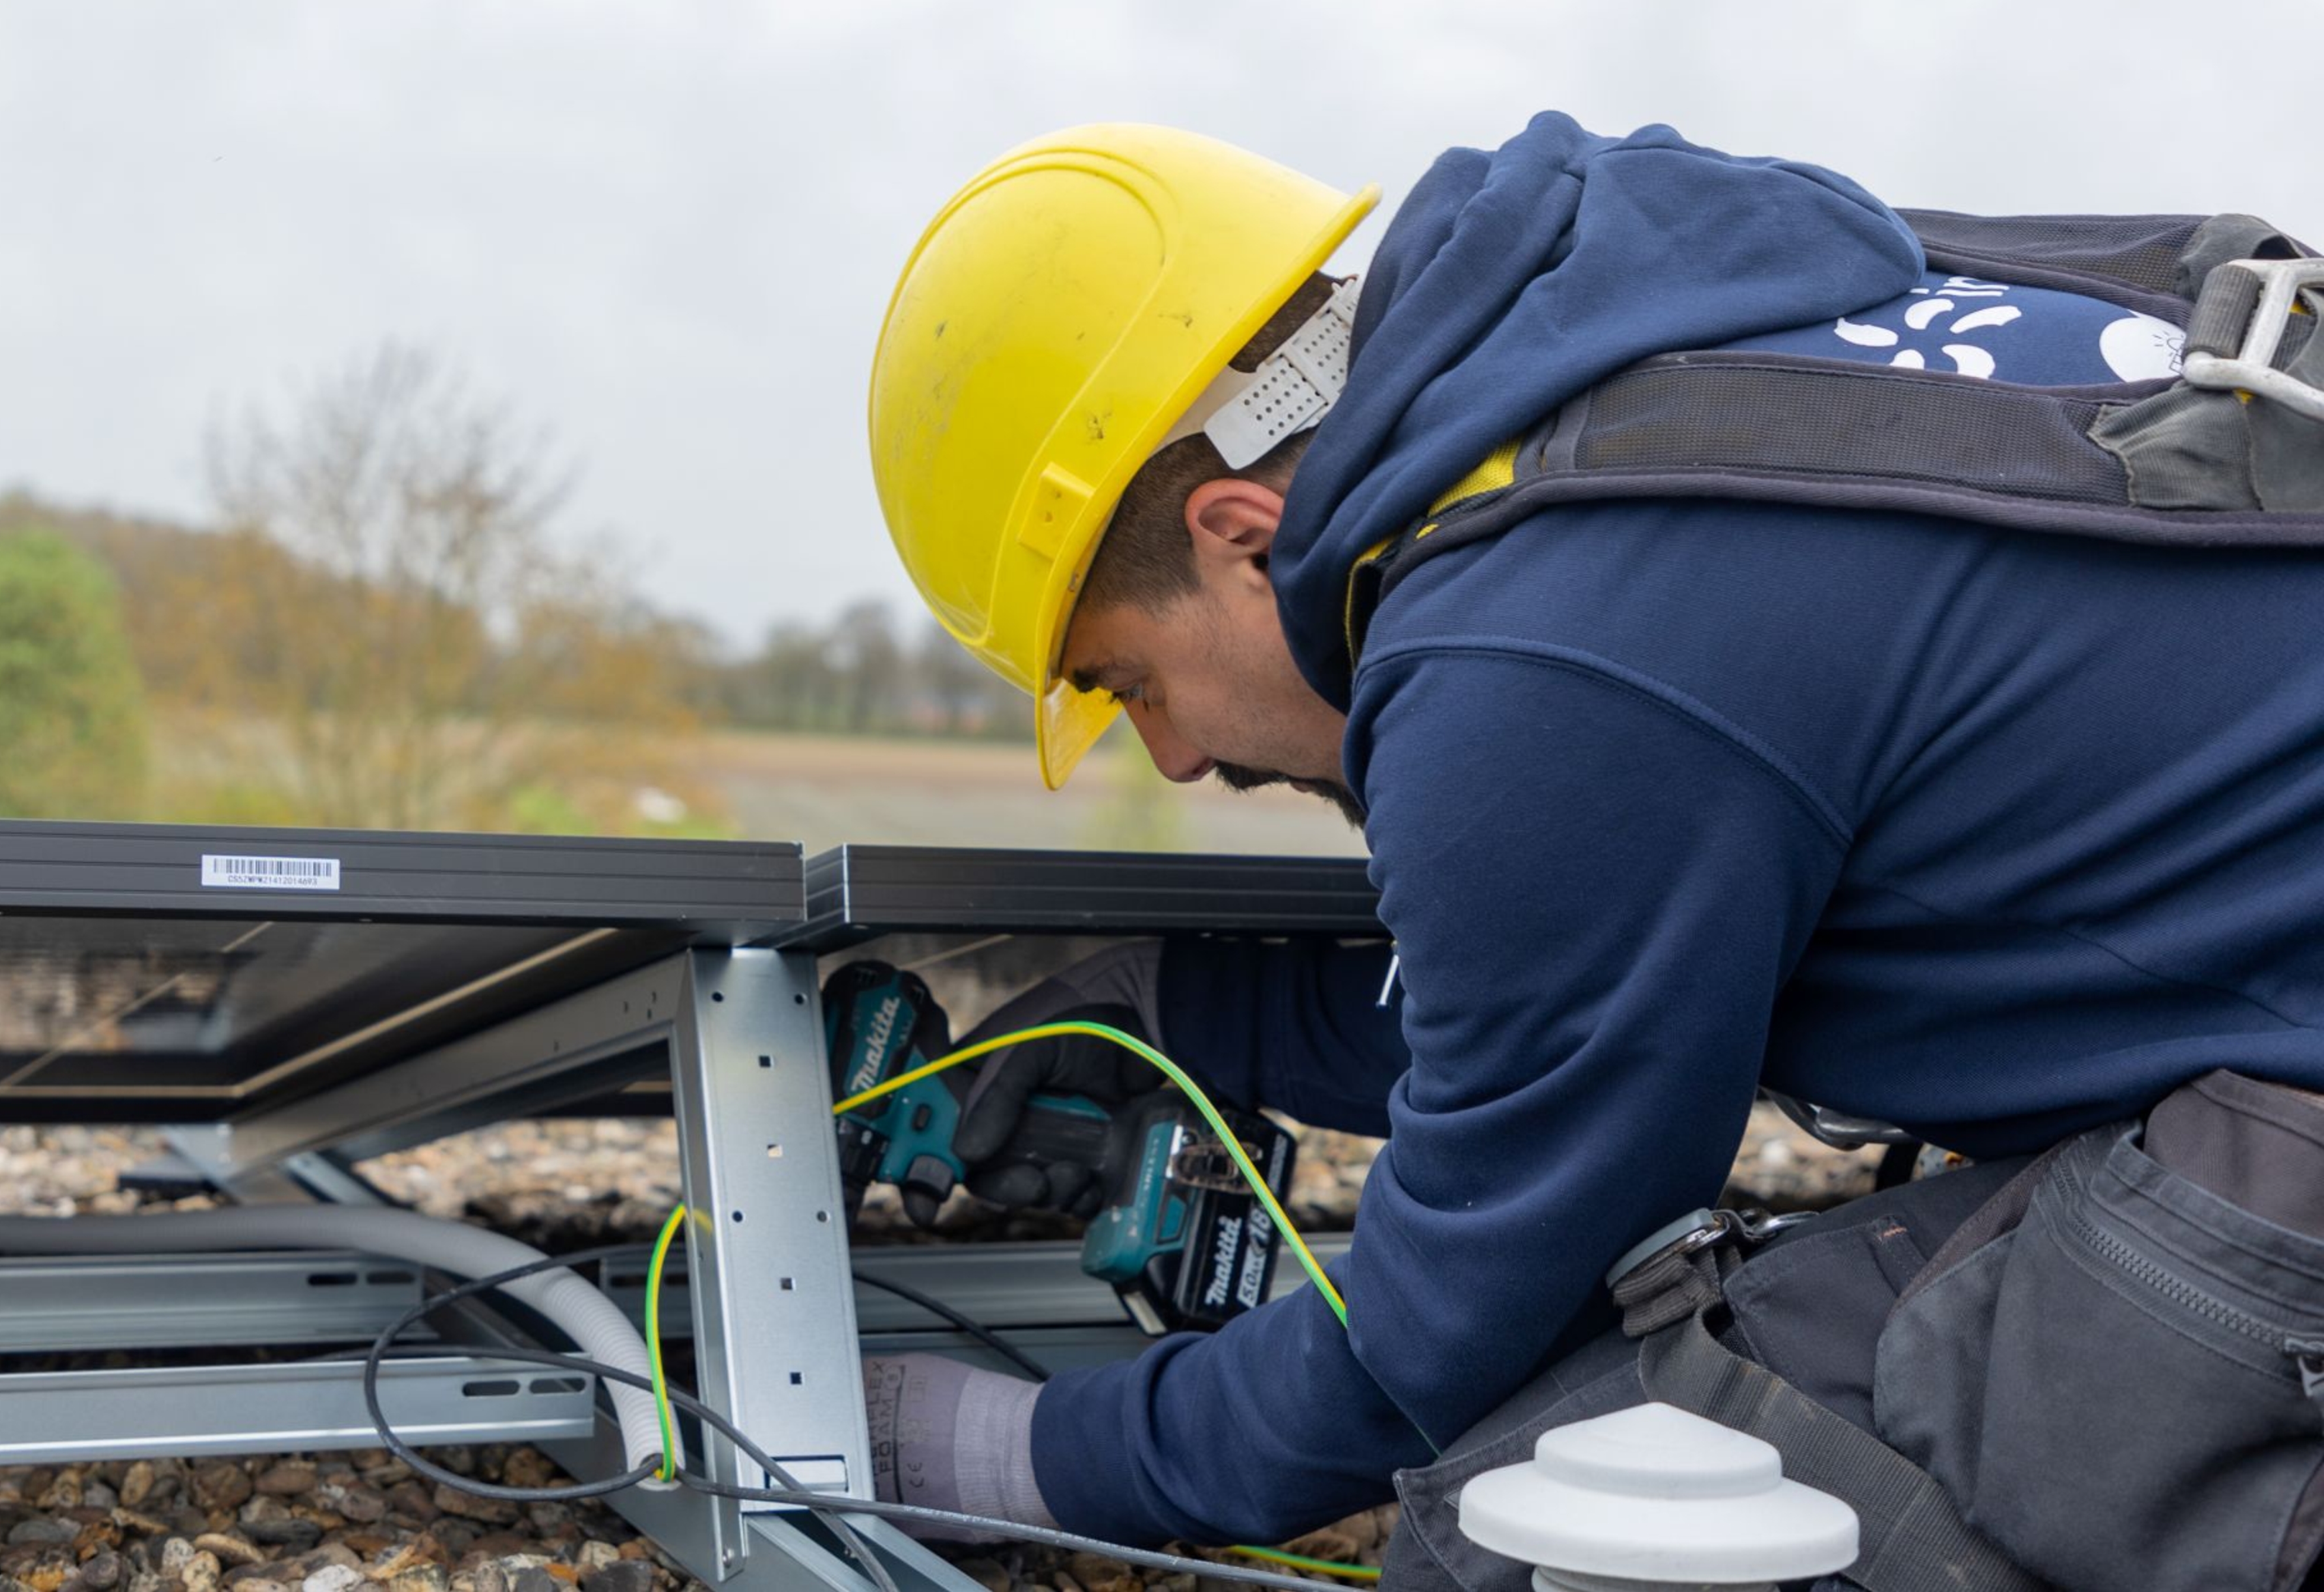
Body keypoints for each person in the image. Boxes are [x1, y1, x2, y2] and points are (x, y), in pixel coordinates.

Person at [858, 115, 2324, 1591]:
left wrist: (1033, 1458)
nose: (1171, 757)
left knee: (1540, 1513)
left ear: (1242, 533)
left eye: (1128, 683)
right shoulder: (1685, 350)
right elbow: (1608, 999)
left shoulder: (1535, 647)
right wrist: (1188, 1015)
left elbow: (1471, 1303)